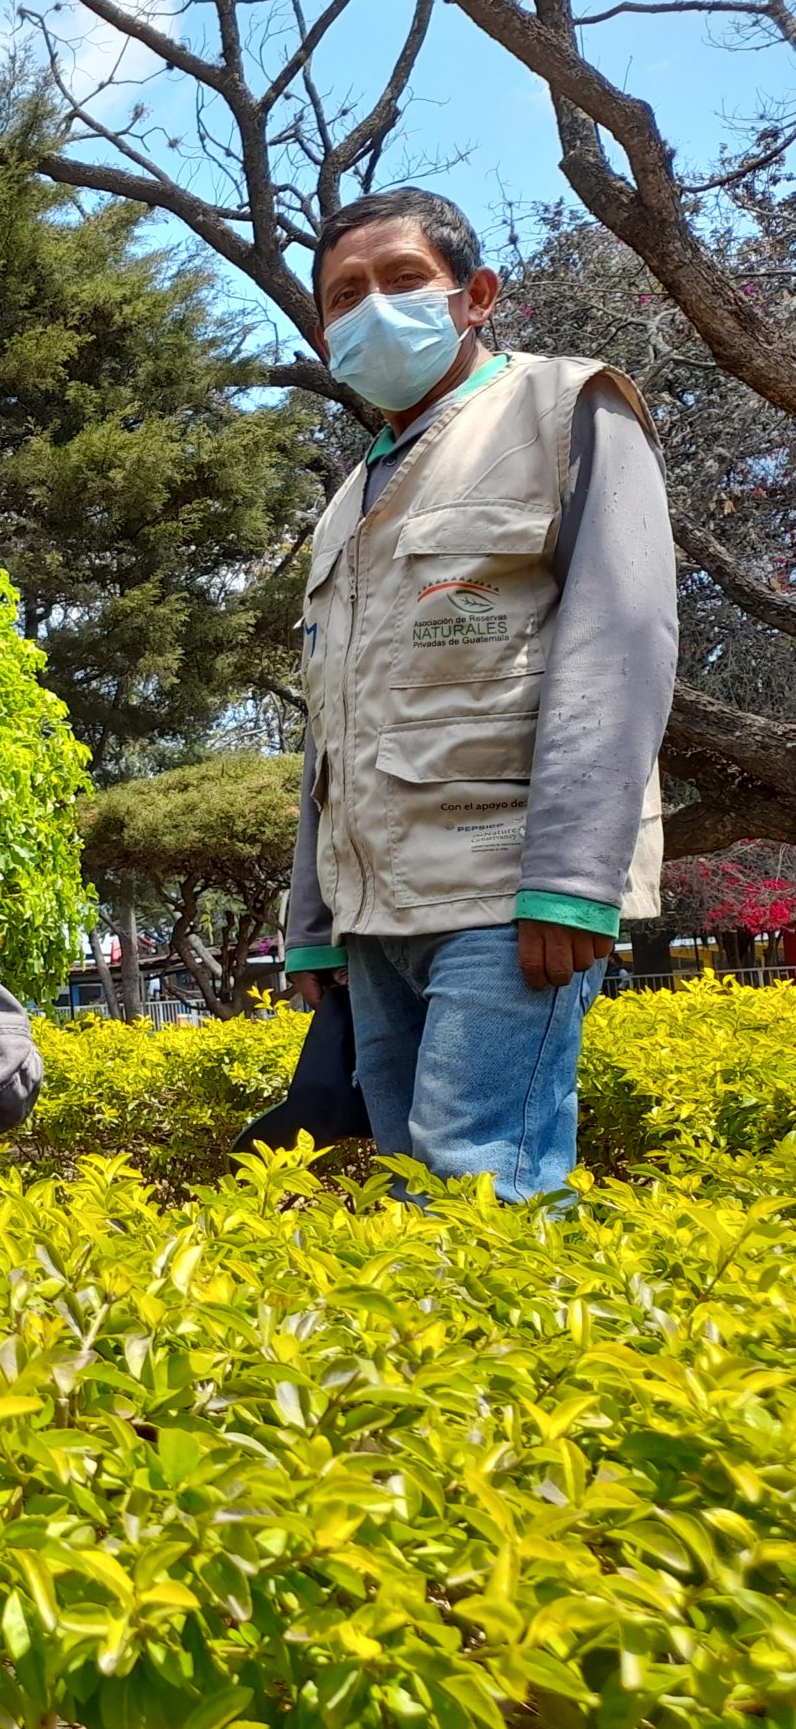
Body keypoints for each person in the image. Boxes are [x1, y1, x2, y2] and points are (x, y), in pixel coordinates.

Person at [286, 187, 676, 1200]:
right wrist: (310, 923)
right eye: (343, 295)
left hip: (506, 892)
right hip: (373, 915)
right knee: (410, 1186)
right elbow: (329, 725)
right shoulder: (346, 502)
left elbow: (620, 644)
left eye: (401, 279)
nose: (370, 306)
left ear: (475, 295)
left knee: (478, 1187)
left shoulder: (565, 407)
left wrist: (572, 879)